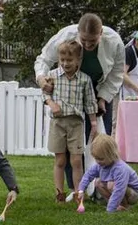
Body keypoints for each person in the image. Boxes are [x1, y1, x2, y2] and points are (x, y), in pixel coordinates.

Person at [35, 13, 124, 183]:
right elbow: (44, 59)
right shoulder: (66, 35)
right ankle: (76, 187)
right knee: (70, 141)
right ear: (78, 32)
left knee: (99, 142)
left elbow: (116, 74)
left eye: (93, 41)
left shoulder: (115, 42)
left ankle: (102, 185)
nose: (88, 45)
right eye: (84, 41)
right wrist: (41, 78)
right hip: (70, 94)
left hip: (99, 91)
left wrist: (103, 98)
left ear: (101, 34)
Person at [40, 39, 101, 203]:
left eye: (70, 60)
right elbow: (45, 94)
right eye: (62, 60)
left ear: (78, 60)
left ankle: (78, 193)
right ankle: (59, 194)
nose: (66, 64)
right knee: (60, 160)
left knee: (76, 160)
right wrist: (51, 104)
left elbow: (90, 102)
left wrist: (93, 123)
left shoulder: (84, 80)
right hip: (58, 123)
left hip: (76, 124)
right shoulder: (53, 76)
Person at [78, 134, 138, 213]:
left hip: (133, 194)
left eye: (101, 159)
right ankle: (115, 205)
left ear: (111, 155)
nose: (98, 161)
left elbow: (119, 190)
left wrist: (109, 210)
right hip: (118, 189)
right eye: (96, 158)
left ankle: (124, 206)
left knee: (111, 185)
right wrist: (81, 190)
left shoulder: (120, 168)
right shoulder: (100, 165)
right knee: (98, 182)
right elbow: (88, 175)